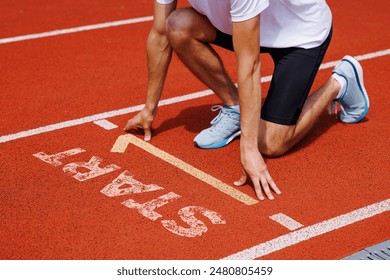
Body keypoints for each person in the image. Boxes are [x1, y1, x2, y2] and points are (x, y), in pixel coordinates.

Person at [124, 0, 369, 201]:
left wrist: (250, 148)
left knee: (270, 143)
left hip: (300, 33)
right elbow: (159, 34)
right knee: (177, 25)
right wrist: (149, 109)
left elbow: (250, 65)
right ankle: (235, 108)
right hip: (247, 26)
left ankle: (340, 83)